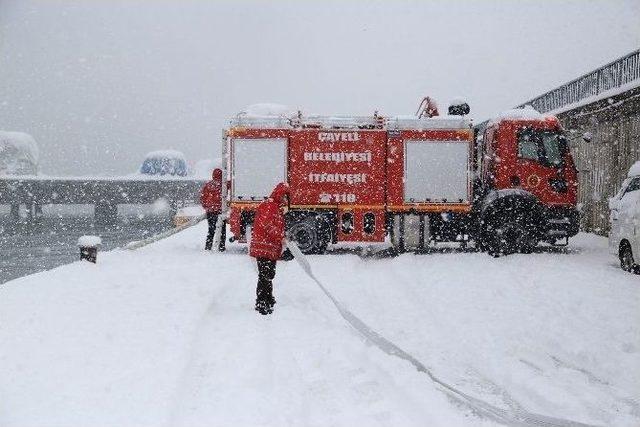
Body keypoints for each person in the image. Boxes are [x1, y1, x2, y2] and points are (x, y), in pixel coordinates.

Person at [249, 182, 291, 315]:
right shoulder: (269, 206)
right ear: (279, 194)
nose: (285, 200)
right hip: (263, 246)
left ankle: (268, 298)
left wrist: (282, 238)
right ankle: (261, 302)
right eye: (284, 196)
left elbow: (275, 227)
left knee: (269, 274)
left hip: (269, 247)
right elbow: (266, 225)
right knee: (264, 275)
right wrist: (280, 237)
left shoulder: (276, 207)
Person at [200, 168, 222, 250]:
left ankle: (208, 246)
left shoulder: (208, 185)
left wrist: (206, 207)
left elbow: (202, 197)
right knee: (222, 230)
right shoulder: (223, 185)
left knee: (211, 229)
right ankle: (221, 246)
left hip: (210, 211)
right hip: (220, 211)